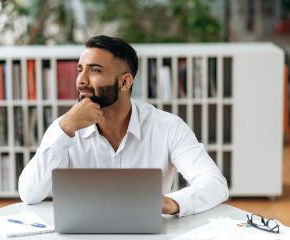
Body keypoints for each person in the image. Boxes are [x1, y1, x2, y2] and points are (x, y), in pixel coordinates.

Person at [18, 35, 229, 217]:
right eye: (80, 70)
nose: (81, 80)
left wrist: (171, 203)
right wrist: (64, 129)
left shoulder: (167, 127)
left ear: (125, 82)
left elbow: (214, 183)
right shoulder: (65, 128)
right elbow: (29, 193)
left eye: (95, 71)